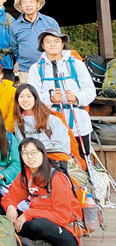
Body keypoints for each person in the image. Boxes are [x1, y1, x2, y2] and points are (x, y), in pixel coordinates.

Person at [2, 138, 82, 246]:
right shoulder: (26, 174)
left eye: (34, 152)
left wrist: (28, 214)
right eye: (25, 153)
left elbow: (63, 216)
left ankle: (17, 234)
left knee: (38, 225)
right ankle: (24, 236)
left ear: (42, 154)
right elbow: (11, 195)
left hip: (63, 230)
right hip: (35, 220)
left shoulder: (57, 178)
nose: (30, 157)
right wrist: (10, 206)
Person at [27, 29, 95, 157]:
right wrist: (50, 99)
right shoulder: (36, 68)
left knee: (82, 159)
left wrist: (76, 97)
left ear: (63, 44)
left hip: (78, 122)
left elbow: (90, 91)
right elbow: (32, 96)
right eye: (48, 41)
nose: (52, 44)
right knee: (57, 159)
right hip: (50, 122)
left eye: (56, 41)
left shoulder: (77, 65)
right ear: (42, 46)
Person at [13, 83, 81, 171]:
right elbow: (22, 148)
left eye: (29, 96)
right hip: (31, 166)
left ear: (35, 98)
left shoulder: (52, 119)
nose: (25, 100)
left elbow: (62, 148)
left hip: (54, 165)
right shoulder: (19, 123)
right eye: (21, 97)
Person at [10, 0, 60, 84]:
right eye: (25, 3)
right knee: (28, 96)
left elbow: (59, 44)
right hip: (25, 69)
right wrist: (22, 59)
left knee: (51, 96)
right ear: (20, 7)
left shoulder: (50, 22)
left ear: (37, 4)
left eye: (31, 2)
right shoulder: (15, 26)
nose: (28, 5)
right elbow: (14, 47)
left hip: (48, 67)